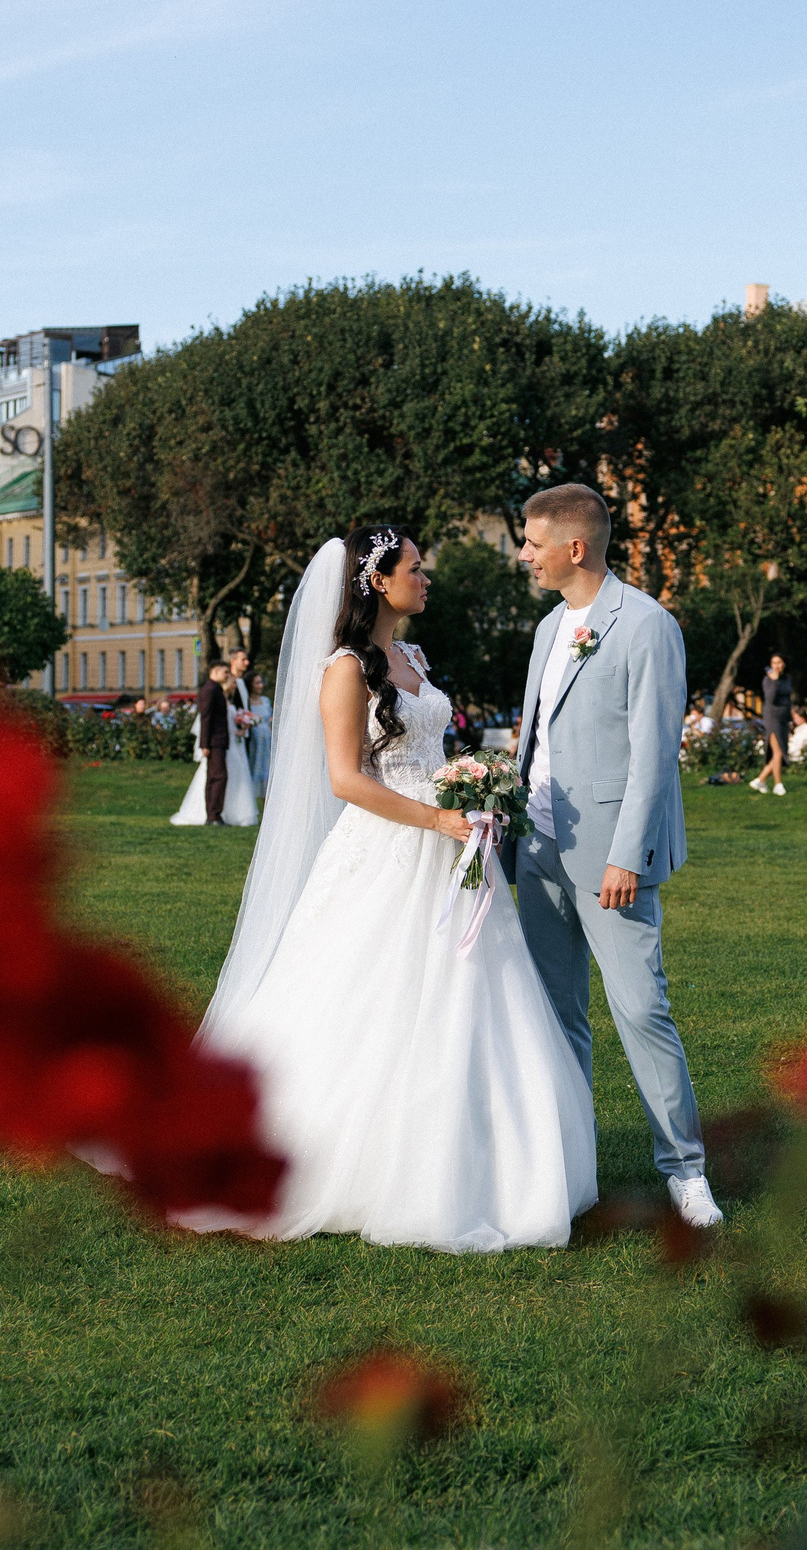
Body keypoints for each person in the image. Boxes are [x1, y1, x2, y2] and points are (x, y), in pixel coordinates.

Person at [187, 527, 595, 1250]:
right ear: (379, 582)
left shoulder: (413, 656)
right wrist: (436, 814)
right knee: (371, 999)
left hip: (451, 843)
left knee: (474, 1000)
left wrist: (473, 790)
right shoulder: (343, 668)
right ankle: (350, 1159)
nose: (425, 577)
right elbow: (347, 779)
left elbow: (429, 745)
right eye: (415, 568)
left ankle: (488, 1160)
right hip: (388, 847)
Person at [507, 482, 720, 1229]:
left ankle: (685, 1171)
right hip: (535, 851)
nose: (523, 554)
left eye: (532, 542)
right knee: (556, 1014)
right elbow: (537, 740)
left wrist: (628, 855)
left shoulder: (647, 624)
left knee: (641, 1009)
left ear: (575, 546)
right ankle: (572, 1163)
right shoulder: (545, 630)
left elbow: (653, 754)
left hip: (610, 861)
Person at [171, 659, 259, 827]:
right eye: (225, 672)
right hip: (214, 741)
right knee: (218, 777)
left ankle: (213, 814)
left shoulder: (215, 689)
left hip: (219, 740)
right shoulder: (210, 690)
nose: (227, 676)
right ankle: (213, 815)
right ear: (215, 672)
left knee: (216, 777)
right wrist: (204, 744)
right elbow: (206, 718)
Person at [750, 653, 792, 797]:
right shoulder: (768, 680)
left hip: (783, 718)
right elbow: (771, 698)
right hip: (772, 717)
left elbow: (788, 698)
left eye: (779, 662)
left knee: (779, 751)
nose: (776, 665)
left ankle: (760, 780)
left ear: (783, 664)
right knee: (778, 751)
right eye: (773, 662)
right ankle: (778, 784)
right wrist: (774, 682)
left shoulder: (787, 679)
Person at [245, 672, 274, 792]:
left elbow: (271, 717)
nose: (260, 685)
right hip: (254, 741)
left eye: (261, 682)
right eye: (257, 683)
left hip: (267, 739)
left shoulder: (266, 701)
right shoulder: (247, 702)